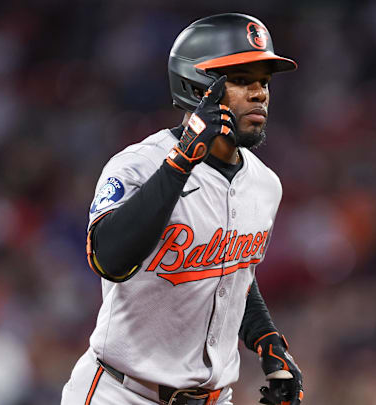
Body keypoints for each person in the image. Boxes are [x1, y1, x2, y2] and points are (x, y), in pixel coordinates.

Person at [60, 13, 303, 405]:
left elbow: (230, 276)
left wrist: (267, 341)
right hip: (122, 393)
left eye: (264, 82)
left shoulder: (265, 184)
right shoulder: (138, 164)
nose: (260, 93)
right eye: (241, 80)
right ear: (198, 86)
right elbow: (109, 260)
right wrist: (181, 161)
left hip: (214, 398)